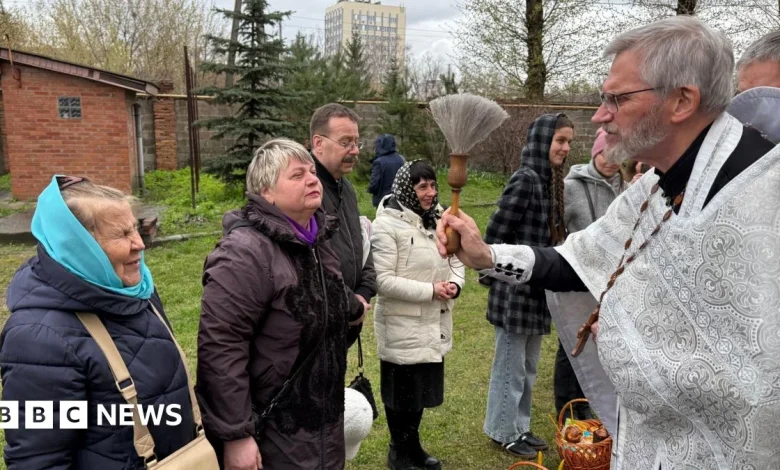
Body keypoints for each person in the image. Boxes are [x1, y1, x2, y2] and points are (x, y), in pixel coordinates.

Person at [436, 16, 780, 469]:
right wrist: (487, 256)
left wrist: (620, 327)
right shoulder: (651, 187)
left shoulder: (765, 190)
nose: (600, 116)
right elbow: (578, 262)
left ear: (681, 101)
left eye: (616, 98)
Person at [0, 175, 197, 469]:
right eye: (122, 234)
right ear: (78, 246)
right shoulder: (37, 338)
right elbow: (38, 460)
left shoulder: (137, 291)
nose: (139, 243)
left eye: (136, 229)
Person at [196, 138, 351, 469]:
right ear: (266, 192)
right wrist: (236, 435)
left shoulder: (318, 241)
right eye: (297, 175)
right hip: (272, 430)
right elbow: (220, 347)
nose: (312, 178)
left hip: (324, 424)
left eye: (312, 171)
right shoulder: (244, 253)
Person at [480, 113, 573, 458]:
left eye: (568, 141)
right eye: (559, 140)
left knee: (529, 367)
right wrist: (498, 275)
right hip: (514, 292)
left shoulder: (550, 182)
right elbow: (496, 232)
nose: (565, 148)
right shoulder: (526, 179)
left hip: (538, 290)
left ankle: (519, 426)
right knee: (511, 367)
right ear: (541, 142)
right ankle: (503, 430)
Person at [371, 160, 465, 470]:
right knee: (401, 396)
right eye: (422, 186)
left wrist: (454, 284)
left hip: (432, 322)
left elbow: (456, 260)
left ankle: (413, 447)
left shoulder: (441, 218)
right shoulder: (387, 225)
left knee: (420, 392)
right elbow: (382, 281)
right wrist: (430, 291)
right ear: (405, 188)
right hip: (401, 323)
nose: (430, 192)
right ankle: (398, 452)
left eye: (433, 185)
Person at [550, 127, 625, 425]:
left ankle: (587, 403)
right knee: (571, 341)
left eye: (619, 156)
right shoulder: (571, 187)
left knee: (601, 343)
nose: (612, 161)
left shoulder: (627, 187)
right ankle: (566, 408)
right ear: (596, 152)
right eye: (607, 154)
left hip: (612, 281)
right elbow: (557, 230)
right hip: (578, 277)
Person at [310, 103, 377, 348]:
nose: (355, 151)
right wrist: (350, 304)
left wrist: (365, 291)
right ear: (318, 143)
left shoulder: (346, 188)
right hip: (320, 326)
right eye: (345, 142)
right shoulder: (307, 191)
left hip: (346, 321)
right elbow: (314, 264)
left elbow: (362, 242)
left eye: (356, 142)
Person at [368, 134, 406, 207]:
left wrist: (371, 190)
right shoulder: (401, 159)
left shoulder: (379, 162)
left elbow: (374, 183)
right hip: (399, 199)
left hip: (383, 200)